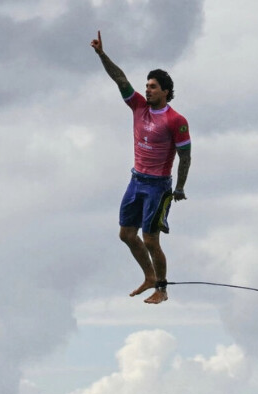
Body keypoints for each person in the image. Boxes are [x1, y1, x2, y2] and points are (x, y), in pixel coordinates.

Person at [91, 31, 191, 304]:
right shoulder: (138, 106)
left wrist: (180, 187)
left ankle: (162, 288)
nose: (147, 90)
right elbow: (120, 78)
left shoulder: (176, 120)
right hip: (136, 180)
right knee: (126, 234)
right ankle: (148, 276)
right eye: (146, 86)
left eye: (153, 87)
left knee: (150, 239)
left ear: (166, 92)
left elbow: (185, 156)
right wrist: (101, 54)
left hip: (158, 187)